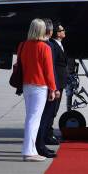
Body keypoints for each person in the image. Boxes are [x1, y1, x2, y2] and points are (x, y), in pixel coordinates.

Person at [19, 18, 57, 162]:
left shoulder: (23, 45)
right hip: (39, 86)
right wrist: (53, 89)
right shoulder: (44, 47)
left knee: (30, 117)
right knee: (34, 119)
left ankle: (31, 149)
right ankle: (29, 151)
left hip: (27, 85)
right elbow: (48, 71)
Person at [37, 21, 68, 157]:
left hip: (59, 82)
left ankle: (46, 136)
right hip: (55, 83)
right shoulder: (52, 46)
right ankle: (45, 137)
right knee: (50, 111)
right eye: (61, 30)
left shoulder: (58, 45)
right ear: (55, 33)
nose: (64, 32)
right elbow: (52, 66)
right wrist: (54, 86)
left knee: (52, 111)